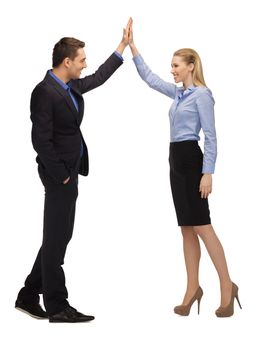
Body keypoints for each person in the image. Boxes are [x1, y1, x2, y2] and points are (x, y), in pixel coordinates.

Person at [15, 18, 132, 323]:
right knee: (56, 239)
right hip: (59, 175)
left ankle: (28, 295)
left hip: (70, 172)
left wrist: (122, 47)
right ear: (66, 61)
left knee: (59, 237)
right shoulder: (44, 92)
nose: (84, 65)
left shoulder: (69, 86)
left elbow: (98, 78)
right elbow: (39, 140)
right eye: (81, 60)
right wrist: (61, 173)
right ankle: (56, 306)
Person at [128, 20, 241, 317]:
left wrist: (208, 172)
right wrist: (133, 47)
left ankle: (227, 286)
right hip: (174, 160)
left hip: (192, 160)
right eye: (172, 66)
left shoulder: (202, 95)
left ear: (191, 66)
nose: (173, 70)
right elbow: (150, 79)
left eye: (177, 65)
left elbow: (211, 136)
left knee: (203, 226)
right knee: (186, 229)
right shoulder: (178, 94)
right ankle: (192, 289)